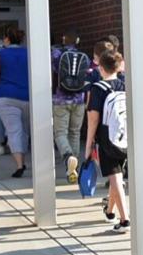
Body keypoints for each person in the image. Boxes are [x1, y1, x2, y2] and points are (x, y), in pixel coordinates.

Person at [83, 48, 129, 232]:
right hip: (125, 136)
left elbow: (93, 119)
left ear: (101, 68)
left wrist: (88, 145)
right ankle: (110, 211)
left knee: (115, 175)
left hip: (107, 138)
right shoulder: (125, 85)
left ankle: (125, 219)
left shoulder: (97, 89)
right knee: (115, 173)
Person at [0, 26, 31, 178]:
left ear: (7, 39)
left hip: (6, 96)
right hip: (27, 96)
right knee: (25, 131)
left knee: (13, 131)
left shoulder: (0, 54)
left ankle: (19, 165)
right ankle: (25, 158)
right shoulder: (29, 53)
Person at [51, 30, 88, 183]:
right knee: (75, 132)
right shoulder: (83, 56)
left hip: (61, 99)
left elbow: (52, 71)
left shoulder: (56, 54)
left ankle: (68, 157)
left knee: (60, 132)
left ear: (64, 40)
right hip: (79, 99)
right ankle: (74, 168)